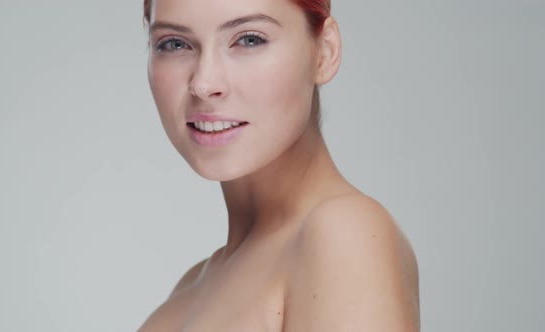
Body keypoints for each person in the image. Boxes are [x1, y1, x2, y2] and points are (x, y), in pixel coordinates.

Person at [138, 0, 420, 330]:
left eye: (249, 39)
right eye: (174, 43)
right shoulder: (193, 284)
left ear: (324, 52)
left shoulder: (344, 235)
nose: (204, 83)